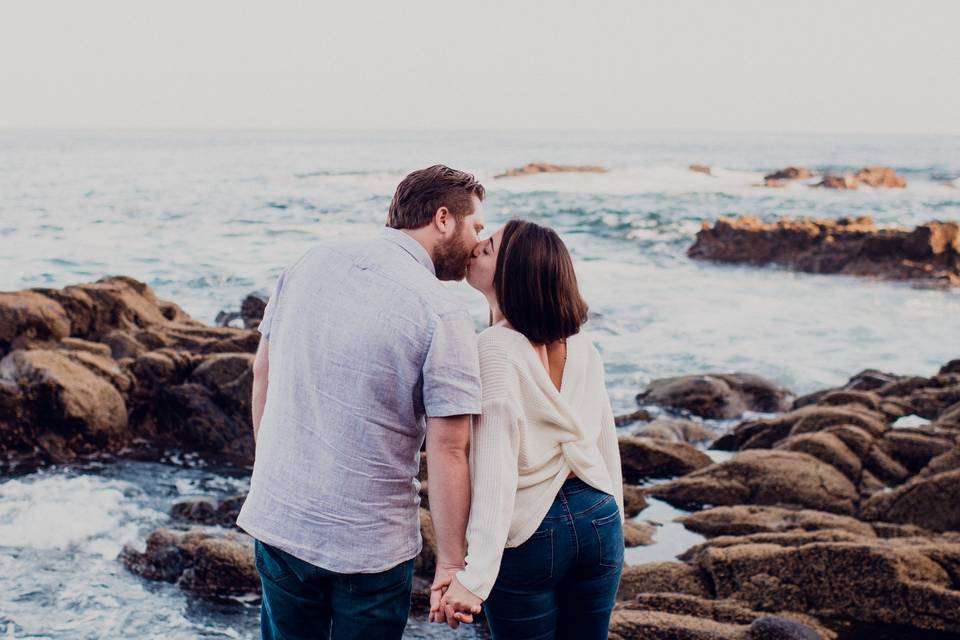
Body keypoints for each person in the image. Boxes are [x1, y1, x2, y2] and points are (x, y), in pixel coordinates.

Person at [236, 165, 487, 639]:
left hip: (281, 517)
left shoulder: (311, 260)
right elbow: (450, 448)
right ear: (442, 219)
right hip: (368, 543)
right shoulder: (442, 309)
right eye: (476, 226)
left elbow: (263, 372)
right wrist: (452, 563)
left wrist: (271, 471)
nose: (479, 241)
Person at [432, 219, 625, 639]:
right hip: (599, 517)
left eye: (490, 247)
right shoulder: (581, 343)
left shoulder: (495, 349)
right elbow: (604, 442)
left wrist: (475, 576)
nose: (476, 246)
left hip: (532, 534)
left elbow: (496, 469)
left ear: (514, 272)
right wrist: (617, 525)